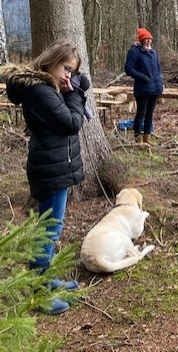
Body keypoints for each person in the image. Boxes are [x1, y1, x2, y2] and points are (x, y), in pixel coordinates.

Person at [0, 41, 88, 315]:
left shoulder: (46, 86)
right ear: (50, 61)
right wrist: (75, 94)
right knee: (48, 231)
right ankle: (39, 292)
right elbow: (71, 123)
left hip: (54, 164)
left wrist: (74, 83)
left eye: (71, 72)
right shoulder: (40, 91)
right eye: (65, 69)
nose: (67, 76)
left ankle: (48, 280)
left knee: (52, 227)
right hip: (50, 166)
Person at [124, 28, 164, 144]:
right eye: (146, 39)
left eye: (149, 39)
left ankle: (147, 137)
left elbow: (158, 69)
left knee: (150, 114)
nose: (148, 41)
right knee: (141, 113)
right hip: (142, 88)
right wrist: (143, 77)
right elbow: (128, 69)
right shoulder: (134, 51)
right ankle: (138, 137)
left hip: (155, 88)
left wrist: (160, 83)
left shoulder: (154, 52)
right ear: (141, 40)